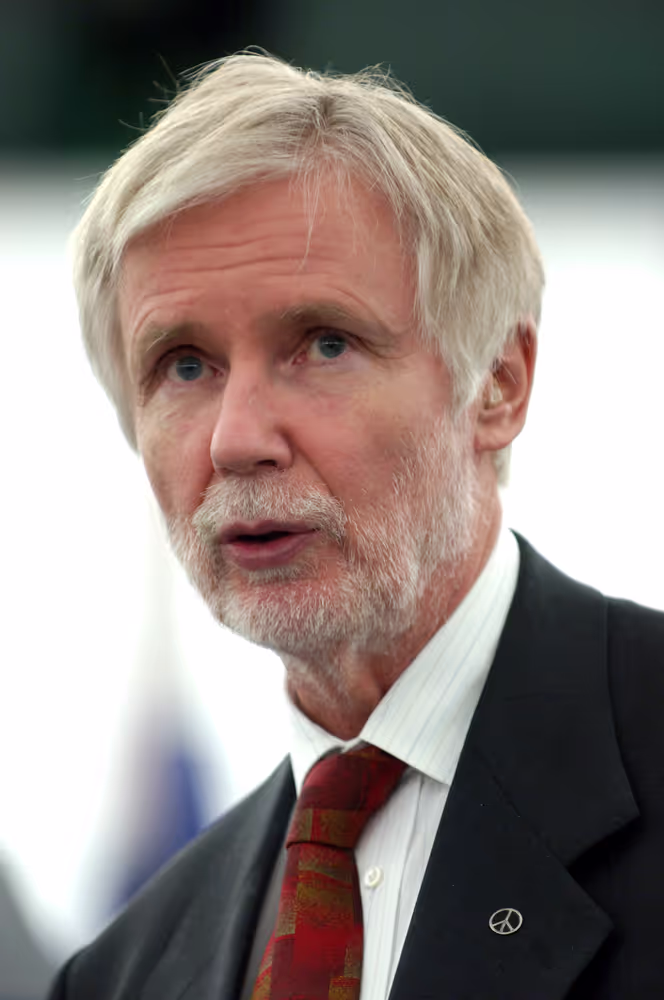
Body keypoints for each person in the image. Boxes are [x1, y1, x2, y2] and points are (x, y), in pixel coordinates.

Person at [48, 52, 664, 1000]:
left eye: (324, 344)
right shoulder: (123, 972)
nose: (237, 439)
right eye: (183, 366)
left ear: (497, 385)